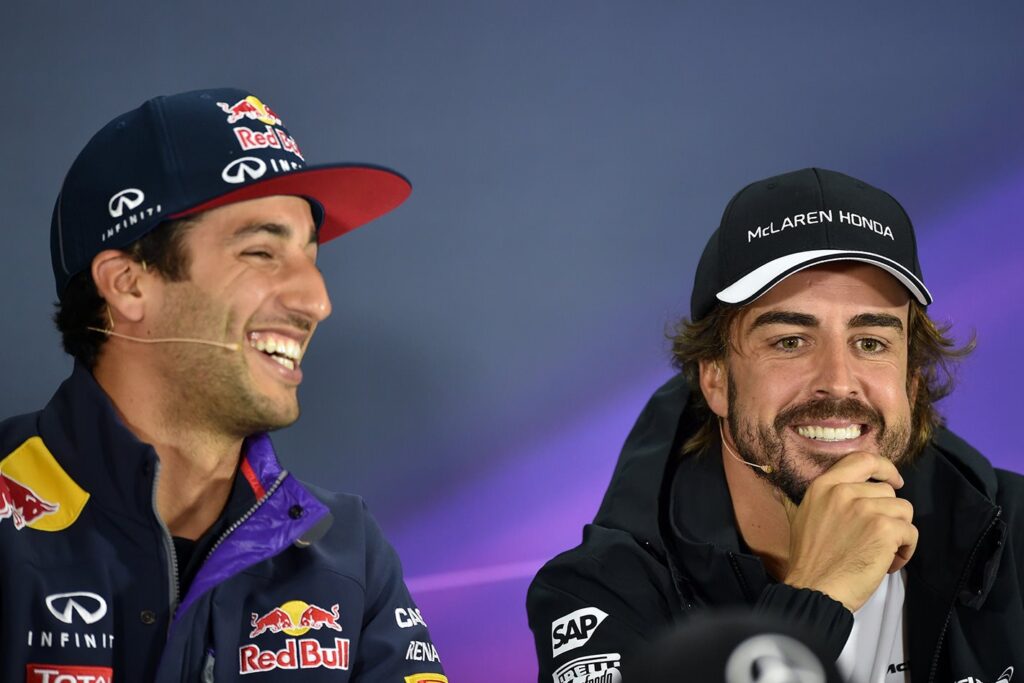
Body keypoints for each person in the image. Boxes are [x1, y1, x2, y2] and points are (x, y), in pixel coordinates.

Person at [0, 88, 446, 683]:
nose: (317, 302)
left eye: (313, 259)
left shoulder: (347, 552)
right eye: (262, 251)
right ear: (129, 284)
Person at [526, 168, 1024, 683]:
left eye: (871, 343)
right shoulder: (601, 594)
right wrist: (814, 597)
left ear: (911, 383)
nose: (837, 382)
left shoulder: (1014, 536)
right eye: (790, 340)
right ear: (715, 378)